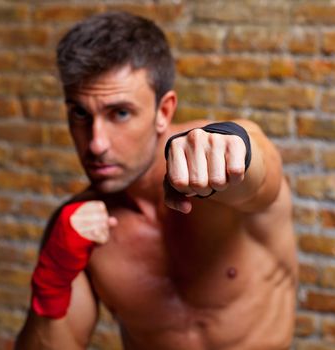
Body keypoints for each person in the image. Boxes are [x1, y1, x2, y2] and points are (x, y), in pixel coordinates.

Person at [15, 11, 297, 350]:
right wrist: (52, 278)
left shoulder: (218, 170)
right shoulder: (79, 227)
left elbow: (259, 175)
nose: (96, 143)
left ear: (164, 111)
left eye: (120, 113)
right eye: (80, 113)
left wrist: (234, 144)